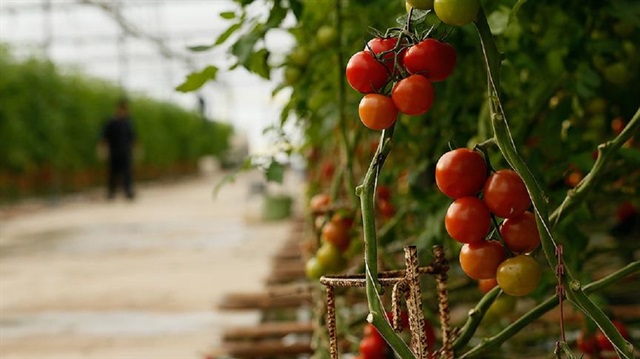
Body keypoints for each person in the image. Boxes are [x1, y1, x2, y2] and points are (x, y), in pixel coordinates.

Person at [101, 99, 136, 200]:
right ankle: (111, 192)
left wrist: (135, 149)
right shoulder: (111, 122)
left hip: (126, 152)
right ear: (118, 109)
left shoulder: (128, 122)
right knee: (112, 172)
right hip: (114, 152)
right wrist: (103, 149)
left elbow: (133, 137)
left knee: (127, 173)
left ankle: (128, 191)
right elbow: (104, 137)